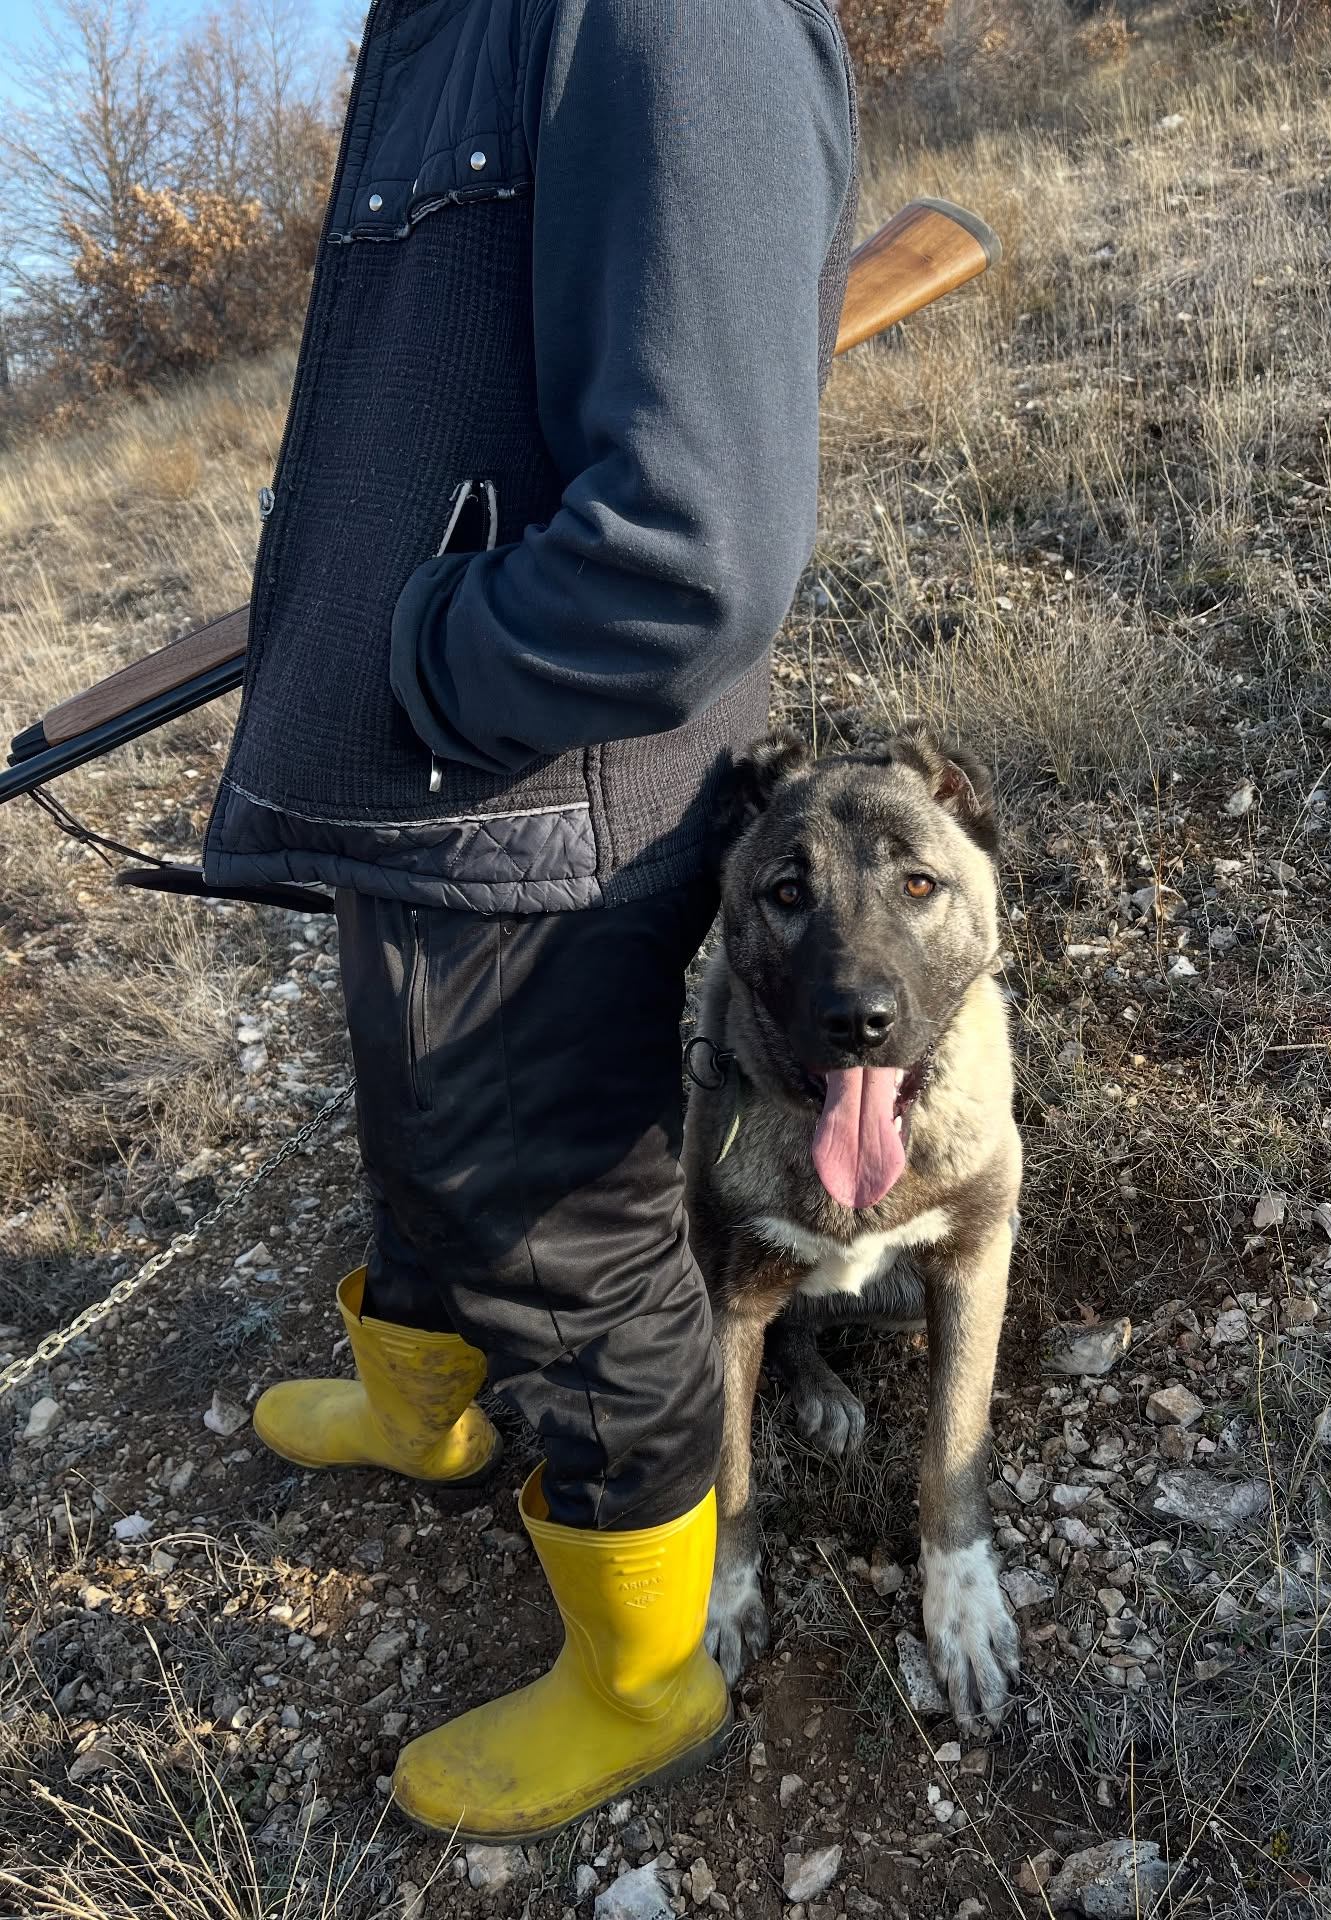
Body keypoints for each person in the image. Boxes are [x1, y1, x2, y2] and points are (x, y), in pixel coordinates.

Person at [203, 0, 858, 1842]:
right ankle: (423, 1411)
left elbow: (690, 550)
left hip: (531, 787)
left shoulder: (664, 17)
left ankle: (645, 1682)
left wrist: (426, 665)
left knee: (561, 1236)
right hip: (428, 780)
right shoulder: (460, 23)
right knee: (421, 1123)